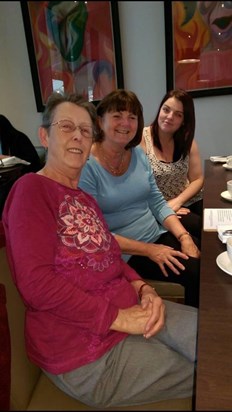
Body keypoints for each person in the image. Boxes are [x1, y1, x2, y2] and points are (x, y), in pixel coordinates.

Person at [2, 92, 198, 409]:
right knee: (212, 372)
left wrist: (143, 287)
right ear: (44, 136)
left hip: (131, 311)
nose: (78, 136)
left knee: (217, 341)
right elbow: (35, 285)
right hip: (84, 354)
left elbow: (109, 254)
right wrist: (117, 317)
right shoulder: (30, 190)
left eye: (85, 129)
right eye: (67, 127)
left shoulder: (83, 199)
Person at [79, 89, 200, 308]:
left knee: (203, 252)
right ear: (99, 121)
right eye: (117, 116)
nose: (125, 123)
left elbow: (156, 201)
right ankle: (204, 333)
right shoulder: (87, 168)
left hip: (155, 234)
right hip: (127, 252)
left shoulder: (136, 153)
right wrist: (150, 251)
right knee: (196, 272)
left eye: (132, 117)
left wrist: (184, 237)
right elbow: (95, 236)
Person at [141, 89, 203, 241]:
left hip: (188, 200)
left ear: (184, 121)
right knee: (203, 232)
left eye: (178, 114)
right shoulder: (141, 140)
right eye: (166, 110)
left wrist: (178, 201)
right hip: (162, 209)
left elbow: (197, 179)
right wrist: (168, 207)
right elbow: (139, 189)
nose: (169, 117)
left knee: (218, 226)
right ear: (160, 110)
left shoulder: (186, 140)